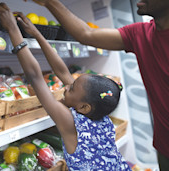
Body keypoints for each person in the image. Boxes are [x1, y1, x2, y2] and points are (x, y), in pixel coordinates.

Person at [28, 0, 169, 170]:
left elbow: (36, 77)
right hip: (164, 145)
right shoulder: (140, 33)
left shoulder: (72, 120)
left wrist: (18, 36)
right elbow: (85, 34)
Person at [0, 3, 131, 170]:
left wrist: (12, 29)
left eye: (71, 89)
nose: (65, 87)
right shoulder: (101, 117)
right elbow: (61, 70)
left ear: (84, 107)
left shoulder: (71, 122)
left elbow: (36, 78)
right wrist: (37, 34)